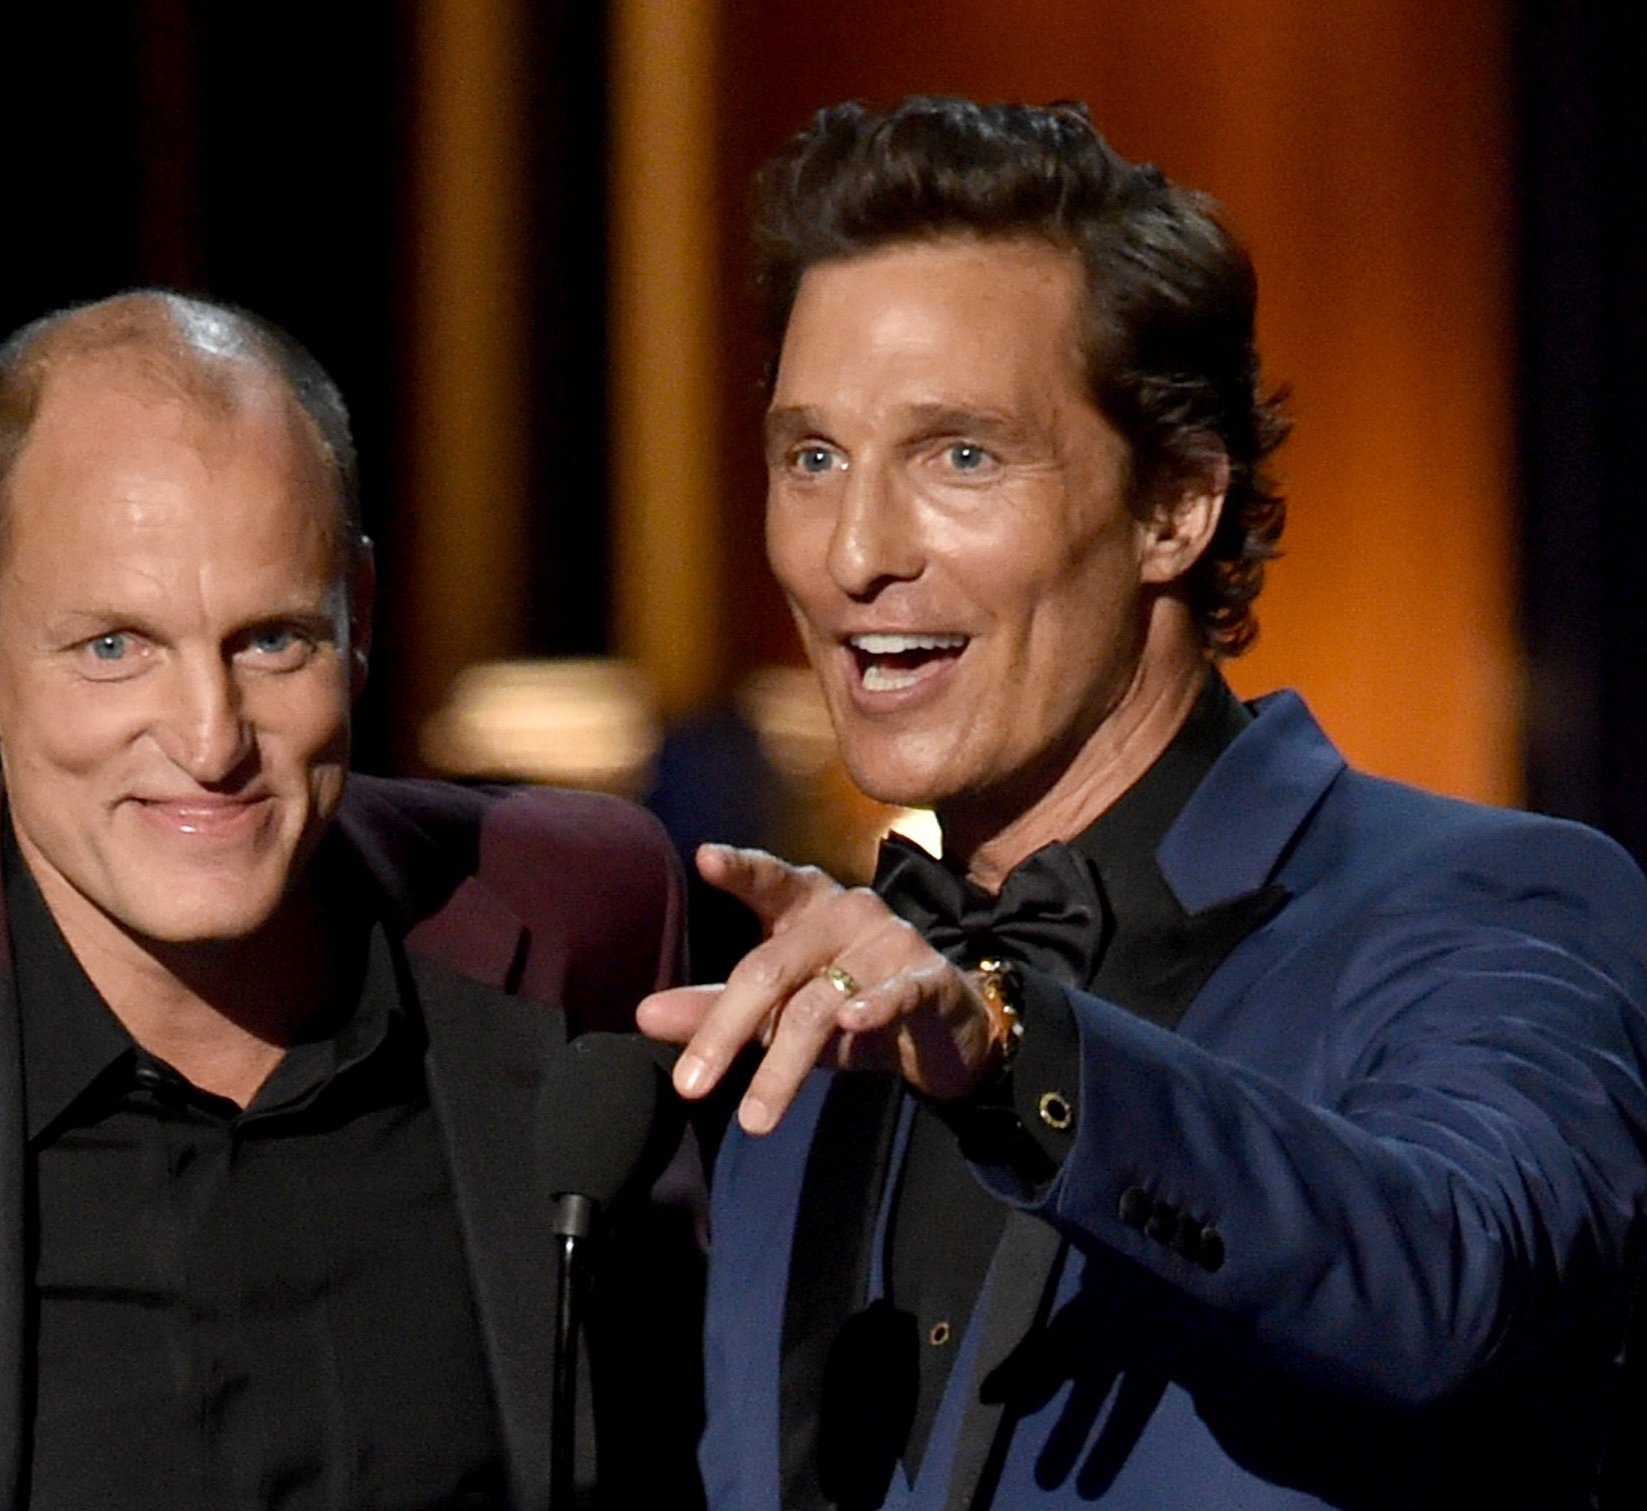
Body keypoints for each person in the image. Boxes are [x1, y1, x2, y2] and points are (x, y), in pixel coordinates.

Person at [639, 98, 1647, 1509]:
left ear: (1175, 505)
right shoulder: (811, 1040)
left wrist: (1010, 1045)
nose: (853, 551)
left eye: (960, 455)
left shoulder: (1491, 895)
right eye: (812, 456)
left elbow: (1454, 1273)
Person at [0, 291, 699, 1511]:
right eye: (113, 647)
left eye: (271, 641)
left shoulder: (573, 911)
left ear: (359, 618)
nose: (208, 738)